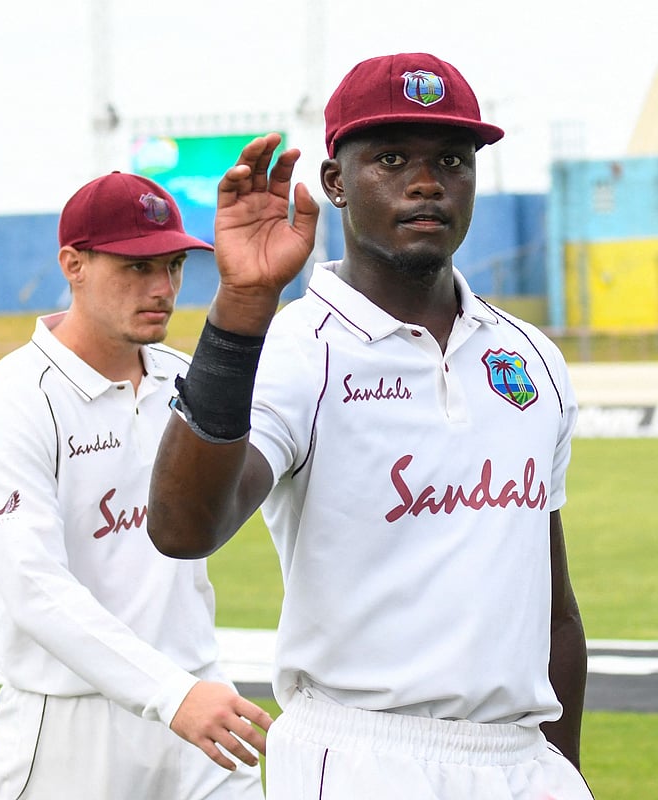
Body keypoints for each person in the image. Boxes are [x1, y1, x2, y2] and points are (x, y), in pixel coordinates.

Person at [148, 52, 592, 799]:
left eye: (452, 160)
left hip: (523, 762)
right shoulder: (295, 350)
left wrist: (565, 771)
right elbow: (183, 528)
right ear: (334, 184)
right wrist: (242, 307)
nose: (427, 182)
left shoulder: (530, 358)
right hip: (363, 757)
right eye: (392, 159)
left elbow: (554, 615)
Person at [0, 171, 270, 799]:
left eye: (174, 266)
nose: (163, 289)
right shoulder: (18, 396)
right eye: (136, 268)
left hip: (200, 708)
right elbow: (34, 587)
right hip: (68, 727)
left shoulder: (189, 379)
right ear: (73, 264)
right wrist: (169, 693)